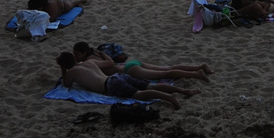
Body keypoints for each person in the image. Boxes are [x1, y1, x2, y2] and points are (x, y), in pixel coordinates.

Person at [56, 53, 191, 105]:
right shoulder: (89, 62)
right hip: (116, 76)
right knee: (150, 86)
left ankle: (170, 98)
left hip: (109, 85)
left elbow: (67, 84)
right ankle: (183, 91)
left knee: (140, 94)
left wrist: (63, 69)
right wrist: (101, 54)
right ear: (74, 58)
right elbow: (109, 63)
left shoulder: (72, 72)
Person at [69, 42, 209, 81]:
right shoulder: (97, 54)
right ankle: (199, 67)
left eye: (76, 54)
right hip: (131, 64)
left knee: (165, 73)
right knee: (167, 68)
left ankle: (197, 74)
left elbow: (110, 64)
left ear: (83, 53)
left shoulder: (90, 61)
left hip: (129, 70)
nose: (75, 57)